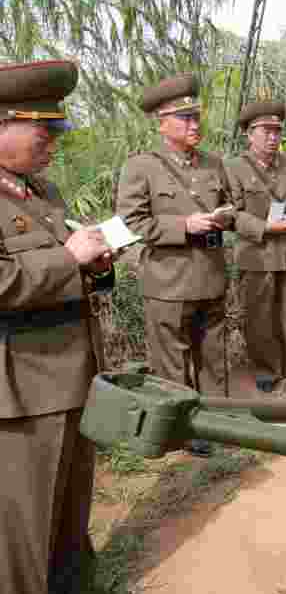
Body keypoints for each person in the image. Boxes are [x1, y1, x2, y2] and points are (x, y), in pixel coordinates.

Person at [0, 59, 113, 594]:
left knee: (71, 506)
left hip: (72, 374)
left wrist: (95, 265)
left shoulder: (42, 193)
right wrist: (67, 259)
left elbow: (59, 272)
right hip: (23, 388)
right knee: (26, 520)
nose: (54, 142)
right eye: (43, 131)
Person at [117, 72, 235, 457]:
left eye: (196, 117)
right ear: (161, 122)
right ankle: (182, 430)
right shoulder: (141, 167)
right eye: (184, 118)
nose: (194, 124)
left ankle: (217, 420)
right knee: (172, 363)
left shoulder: (215, 164)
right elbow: (131, 223)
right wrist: (184, 225)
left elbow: (232, 206)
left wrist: (223, 217)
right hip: (168, 282)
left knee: (213, 357)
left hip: (211, 277)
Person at [224, 101, 286, 394]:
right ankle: (266, 368)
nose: (273, 137)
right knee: (259, 315)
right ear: (249, 135)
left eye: (277, 131)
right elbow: (229, 213)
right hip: (257, 253)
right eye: (266, 131)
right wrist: (263, 227)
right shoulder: (233, 168)